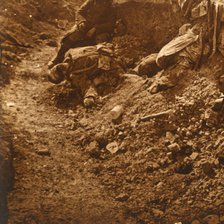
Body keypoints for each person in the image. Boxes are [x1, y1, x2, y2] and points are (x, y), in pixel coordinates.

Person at [48, 0, 126, 69]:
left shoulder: (112, 5)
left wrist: (96, 29)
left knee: (98, 46)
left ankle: (88, 67)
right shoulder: (91, 1)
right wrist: (81, 22)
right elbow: (79, 12)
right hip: (86, 25)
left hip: (101, 30)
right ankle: (58, 58)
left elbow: (110, 24)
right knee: (72, 36)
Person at [48, 43, 125, 107]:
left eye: (56, 68)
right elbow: (86, 86)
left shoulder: (68, 53)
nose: (59, 68)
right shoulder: (76, 75)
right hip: (115, 64)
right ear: (64, 76)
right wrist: (89, 97)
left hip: (112, 47)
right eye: (59, 72)